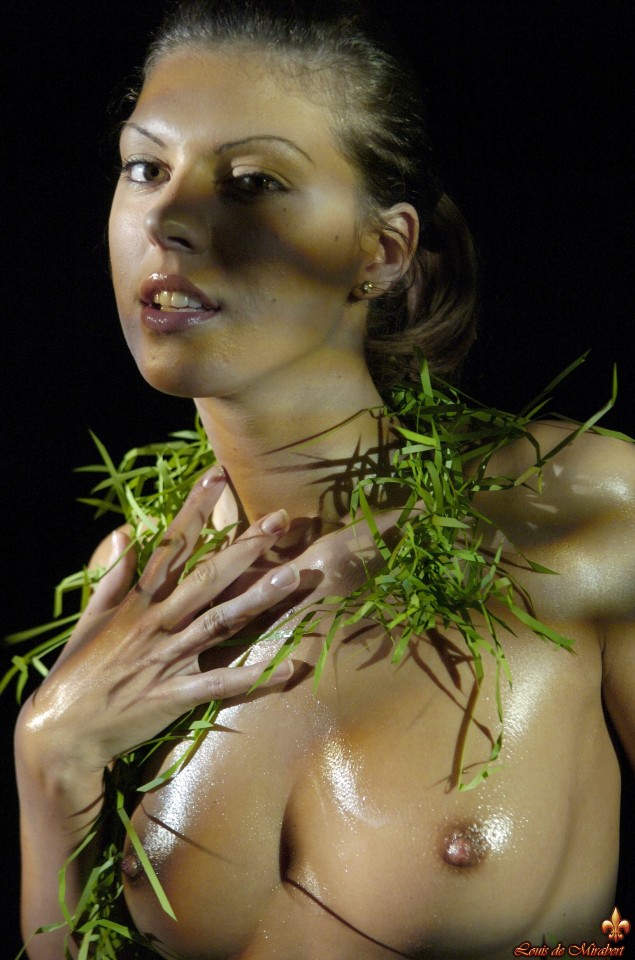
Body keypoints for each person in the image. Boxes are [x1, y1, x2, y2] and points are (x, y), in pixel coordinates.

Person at [13, 1, 634, 958]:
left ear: (378, 252)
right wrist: (51, 763)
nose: (168, 218)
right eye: (146, 168)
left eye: (251, 182)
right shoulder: (134, 585)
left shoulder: (581, 506)